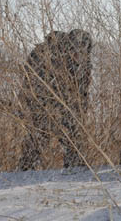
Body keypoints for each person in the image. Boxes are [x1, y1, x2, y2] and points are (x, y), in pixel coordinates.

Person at [19, 29, 93, 170]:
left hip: (64, 102)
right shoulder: (51, 57)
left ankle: (74, 166)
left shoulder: (85, 62)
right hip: (41, 98)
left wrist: (80, 111)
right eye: (76, 52)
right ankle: (26, 169)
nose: (79, 55)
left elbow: (83, 90)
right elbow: (35, 83)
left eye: (82, 53)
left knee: (73, 132)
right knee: (40, 133)